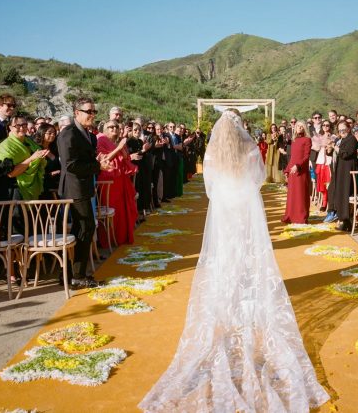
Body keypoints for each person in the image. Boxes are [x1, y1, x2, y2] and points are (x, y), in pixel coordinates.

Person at [139, 109, 329, 412]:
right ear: (240, 126)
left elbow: (209, 186)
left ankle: (227, 289)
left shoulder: (213, 150)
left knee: (223, 249)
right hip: (244, 201)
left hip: (224, 202)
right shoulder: (249, 147)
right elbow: (257, 180)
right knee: (246, 247)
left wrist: (224, 193)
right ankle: (246, 290)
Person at [57, 97, 106, 289]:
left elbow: (84, 160)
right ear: (77, 113)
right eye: (89, 111)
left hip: (84, 187)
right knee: (85, 229)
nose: (92, 115)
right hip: (74, 188)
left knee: (84, 229)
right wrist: (96, 166)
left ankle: (73, 273)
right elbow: (71, 165)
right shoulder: (68, 134)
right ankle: (76, 275)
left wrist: (98, 163)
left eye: (94, 111)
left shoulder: (86, 133)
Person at [96, 120, 138, 245]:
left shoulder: (120, 141)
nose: (114, 129)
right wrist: (119, 148)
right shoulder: (101, 140)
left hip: (121, 178)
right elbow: (104, 159)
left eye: (116, 126)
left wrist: (123, 151)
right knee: (111, 208)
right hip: (108, 179)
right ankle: (109, 240)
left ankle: (122, 237)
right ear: (105, 130)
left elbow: (126, 159)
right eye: (110, 127)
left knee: (122, 210)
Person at [324, 120, 358, 231]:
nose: (342, 132)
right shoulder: (340, 139)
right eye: (340, 130)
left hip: (347, 169)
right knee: (337, 192)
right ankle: (341, 218)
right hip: (339, 168)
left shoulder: (351, 139)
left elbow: (346, 153)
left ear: (349, 129)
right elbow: (332, 153)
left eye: (344, 129)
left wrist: (335, 146)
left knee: (344, 193)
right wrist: (329, 147)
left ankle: (345, 220)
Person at [281, 121, 312, 224]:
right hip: (292, 171)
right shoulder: (294, 140)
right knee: (292, 194)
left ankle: (301, 216)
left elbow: (306, 156)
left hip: (301, 171)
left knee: (301, 194)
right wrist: (287, 170)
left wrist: (298, 166)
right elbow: (292, 157)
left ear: (304, 128)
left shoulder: (307, 139)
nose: (299, 128)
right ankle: (291, 215)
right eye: (298, 126)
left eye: (301, 126)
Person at [33, 123, 61, 197]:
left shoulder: (55, 148)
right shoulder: (36, 149)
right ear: (42, 132)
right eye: (49, 133)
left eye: (54, 133)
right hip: (42, 186)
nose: (52, 135)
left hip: (55, 184)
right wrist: (49, 175)